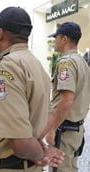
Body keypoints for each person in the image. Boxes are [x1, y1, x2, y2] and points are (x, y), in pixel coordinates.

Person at [0, 7, 64, 172]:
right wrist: (40, 148)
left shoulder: (6, 67)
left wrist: (42, 154)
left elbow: (21, 143)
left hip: (9, 167)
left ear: (0, 33)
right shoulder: (37, 66)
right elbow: (49, 115)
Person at [44, 22, 90, 172]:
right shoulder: (82, 62)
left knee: (61, 168)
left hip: (64, 131)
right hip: (75, 130)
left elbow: (66, 100)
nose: (54, 41)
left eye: (56, 37)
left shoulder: (66, 63)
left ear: (64, 39)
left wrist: (52, 129)